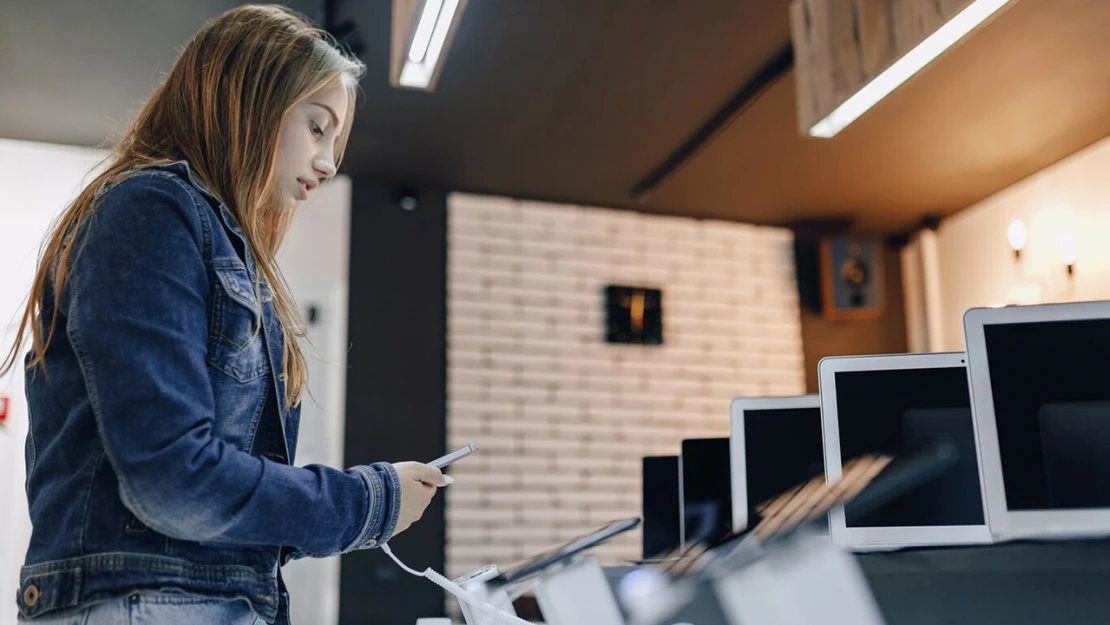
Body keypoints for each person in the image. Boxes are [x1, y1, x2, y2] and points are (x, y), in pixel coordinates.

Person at [1, 5, 447, 624]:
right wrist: (365, 501)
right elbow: (173, 481)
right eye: (317, 128)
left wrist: (378, 501)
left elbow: (214, 510)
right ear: (253, 101)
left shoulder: (208, 237)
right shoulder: (152, 209)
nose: (328, 161)